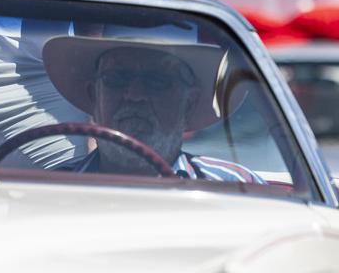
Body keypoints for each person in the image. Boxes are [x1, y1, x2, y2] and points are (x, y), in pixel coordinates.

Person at [43, 34, 265, 182]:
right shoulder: (48, 193)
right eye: (117, 78)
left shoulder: (238, 189)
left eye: (157, 81)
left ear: (189, 104)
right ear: (94, 96)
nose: (135, 95)